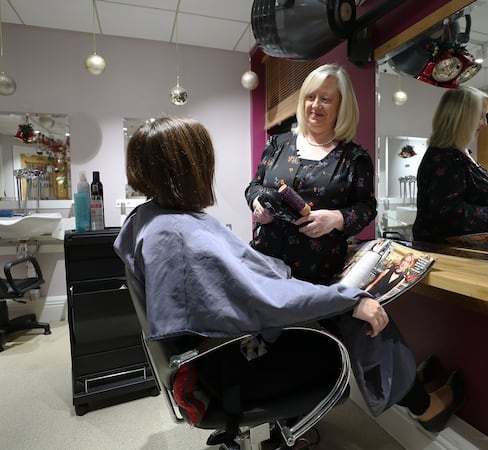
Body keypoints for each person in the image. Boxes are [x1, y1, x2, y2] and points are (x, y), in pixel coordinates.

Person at [115, 116, 465, 436]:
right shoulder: (180, 234)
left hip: (217, 357)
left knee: (348, 309)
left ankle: (405, 383)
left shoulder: (149, 220)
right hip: (231, 369)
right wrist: (350, 299)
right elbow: (265, 300)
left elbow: (247, 285)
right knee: (363, 319)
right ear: (188, 168)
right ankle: (423, 405)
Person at [245, 63, 377, 285]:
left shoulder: (354, 158)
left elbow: (366, 208)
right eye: (310, 97)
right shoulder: (278, 145)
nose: (315, 105)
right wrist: (257, 203)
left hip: (317, 275)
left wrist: (336, 218)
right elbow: (254, 186)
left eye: (325, 99)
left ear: (341, 107)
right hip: (264, 267)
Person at [412, 86, 488, 243]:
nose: (484, 123)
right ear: (462, 119)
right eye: (480, 117)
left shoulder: (460, 154)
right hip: (450, 255)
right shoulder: (444, 157)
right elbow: (445, 212)